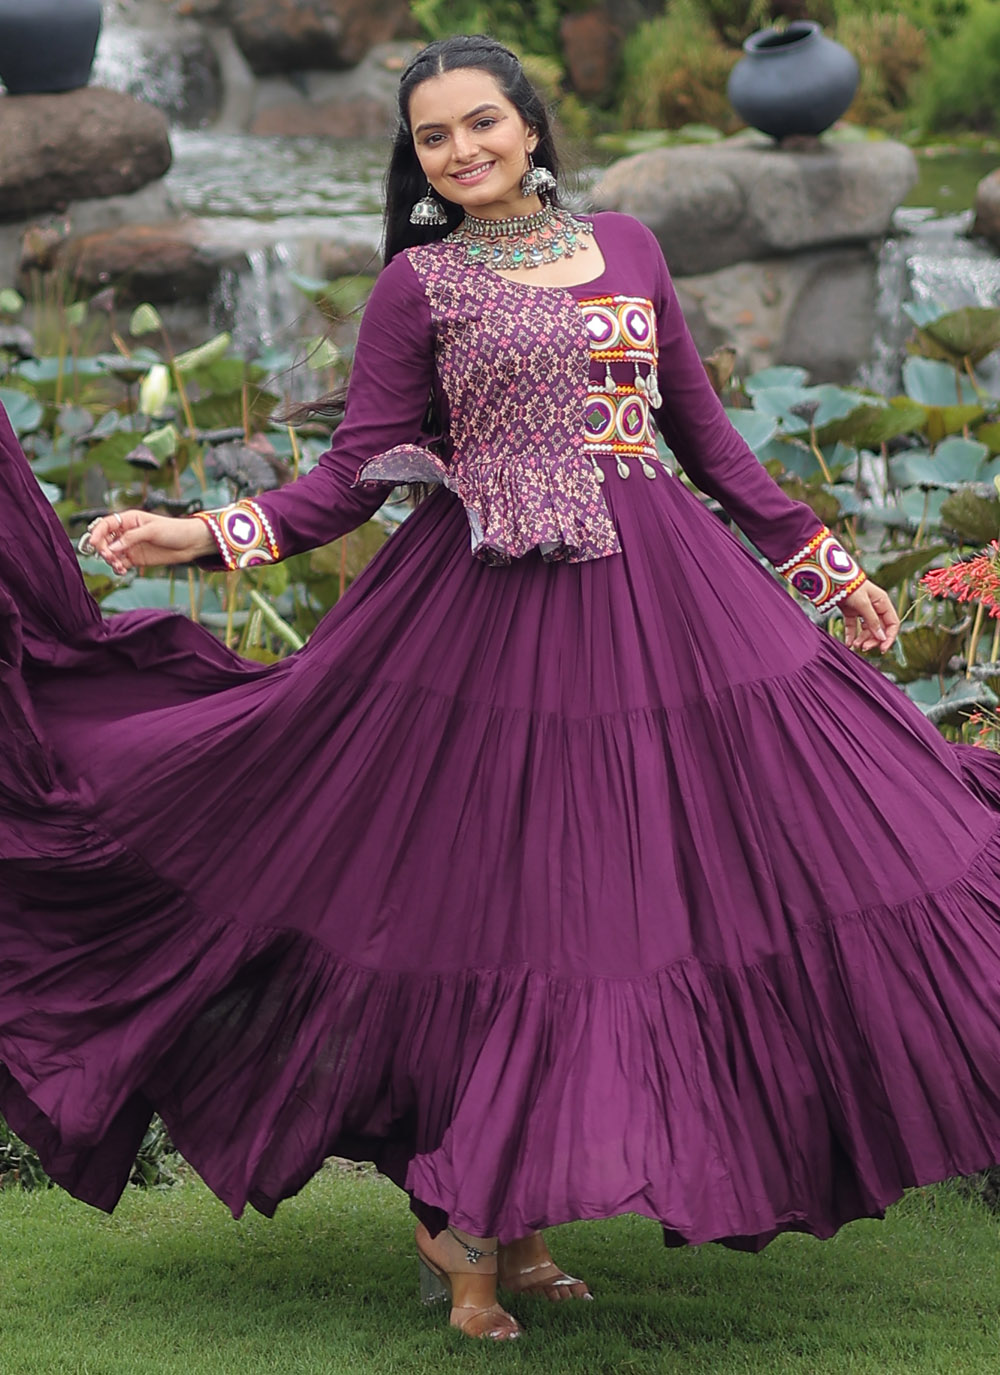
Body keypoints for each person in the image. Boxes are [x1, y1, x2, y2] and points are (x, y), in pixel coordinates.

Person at [2, 31, 1000, 1346]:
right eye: (433, 136)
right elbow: (351, 476)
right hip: (488, 624)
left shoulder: (630, 246)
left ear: (530, 126)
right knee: (506, 903)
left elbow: (707, 440)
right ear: (417, 158)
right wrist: (200, 535)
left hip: (666, 604)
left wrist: (827, 566)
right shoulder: (418, 283)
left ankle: (510, 1224)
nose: (461, 149)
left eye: (481, 122)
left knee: (639, 895)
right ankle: (465, 1224)